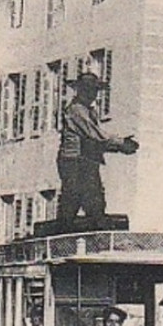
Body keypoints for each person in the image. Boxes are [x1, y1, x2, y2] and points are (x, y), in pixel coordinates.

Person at [55, 72, 138, 227]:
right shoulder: (76, 110)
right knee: (73, 198)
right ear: (79, 90)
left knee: (94, 201)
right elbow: (94, 135)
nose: (92, 94)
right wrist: (121, 143)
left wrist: (119, 148)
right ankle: (61, 234)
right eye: (87, 90)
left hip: (87, 160)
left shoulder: (89, 111)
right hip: (74, 160)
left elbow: (96, 142)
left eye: (94, 90)